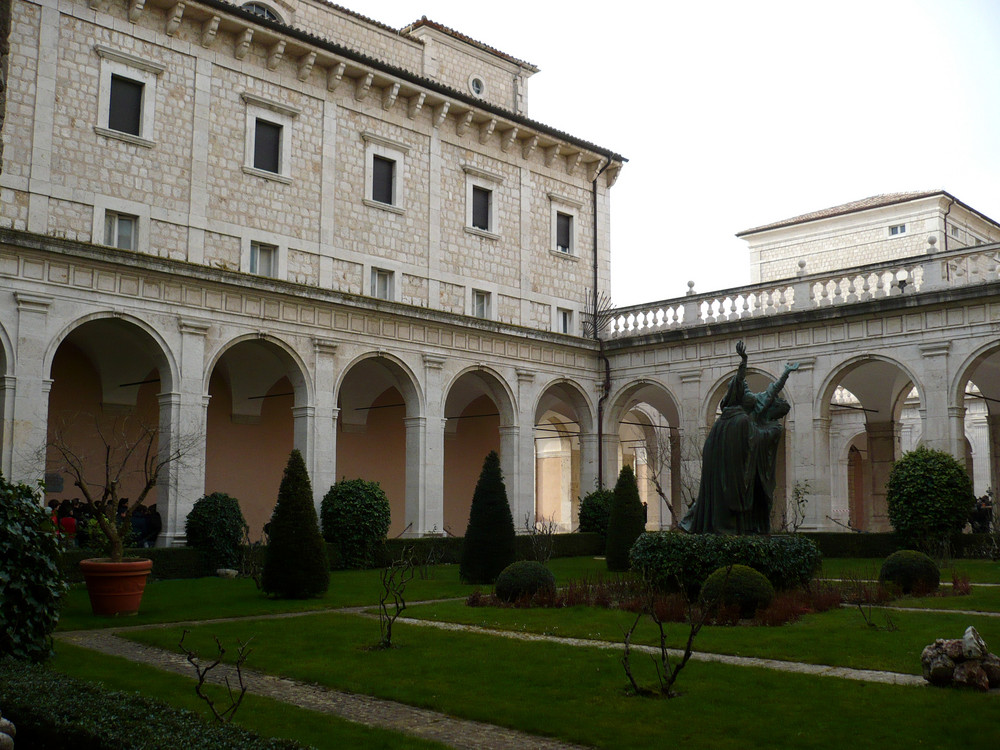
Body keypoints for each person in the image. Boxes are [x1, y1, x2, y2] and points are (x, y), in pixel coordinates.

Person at [680, 341, 797, 534]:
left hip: (729, 438)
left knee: (725, 485)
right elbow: (742, 382)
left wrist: (785, 374)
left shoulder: (753, 407)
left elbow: (771, 391)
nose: (749, 389)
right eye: (743, 387)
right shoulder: (739, 405)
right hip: (727, 438)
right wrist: (743, 361)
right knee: (722, 485)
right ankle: (713, 522)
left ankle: (717, 522)